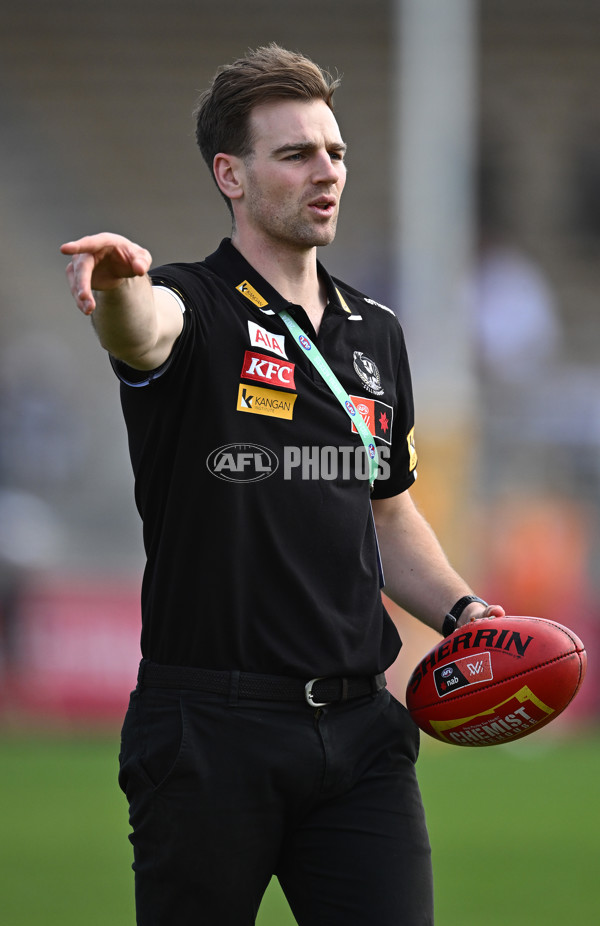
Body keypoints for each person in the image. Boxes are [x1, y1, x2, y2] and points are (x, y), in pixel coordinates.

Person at [61, 44, 504, 926]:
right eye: (295, 153)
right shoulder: (195, 302)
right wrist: (118, 288)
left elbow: (387, 510)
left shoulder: (375, 333)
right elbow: (142, 332)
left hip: (361, 731)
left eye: (334, 152)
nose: (326, 171)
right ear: (231, 173)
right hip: (209, 730)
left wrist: (467, 615)